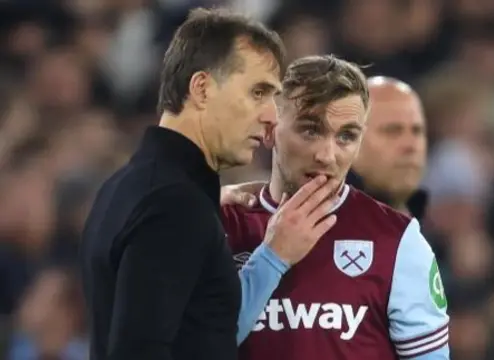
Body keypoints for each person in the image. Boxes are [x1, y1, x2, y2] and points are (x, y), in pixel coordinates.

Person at [80, 8, 340, 360]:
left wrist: (204, 203)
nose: (271, 116)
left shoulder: (128, 187)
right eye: (258, 92)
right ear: (201, 88)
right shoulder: (173, 205)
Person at [222, 55, 450, 360]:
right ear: (270, 130)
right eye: (310, 130)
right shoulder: (220, 225)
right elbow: (194, 346)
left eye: (346, 136)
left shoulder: (398, 242)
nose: (327, 155)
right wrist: (272, 259)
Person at [347, 76, 429, 220]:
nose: (410, 146)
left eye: (417, 131)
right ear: (349, 140)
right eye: (392, 131)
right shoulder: (319, 230)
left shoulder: (434, 231)